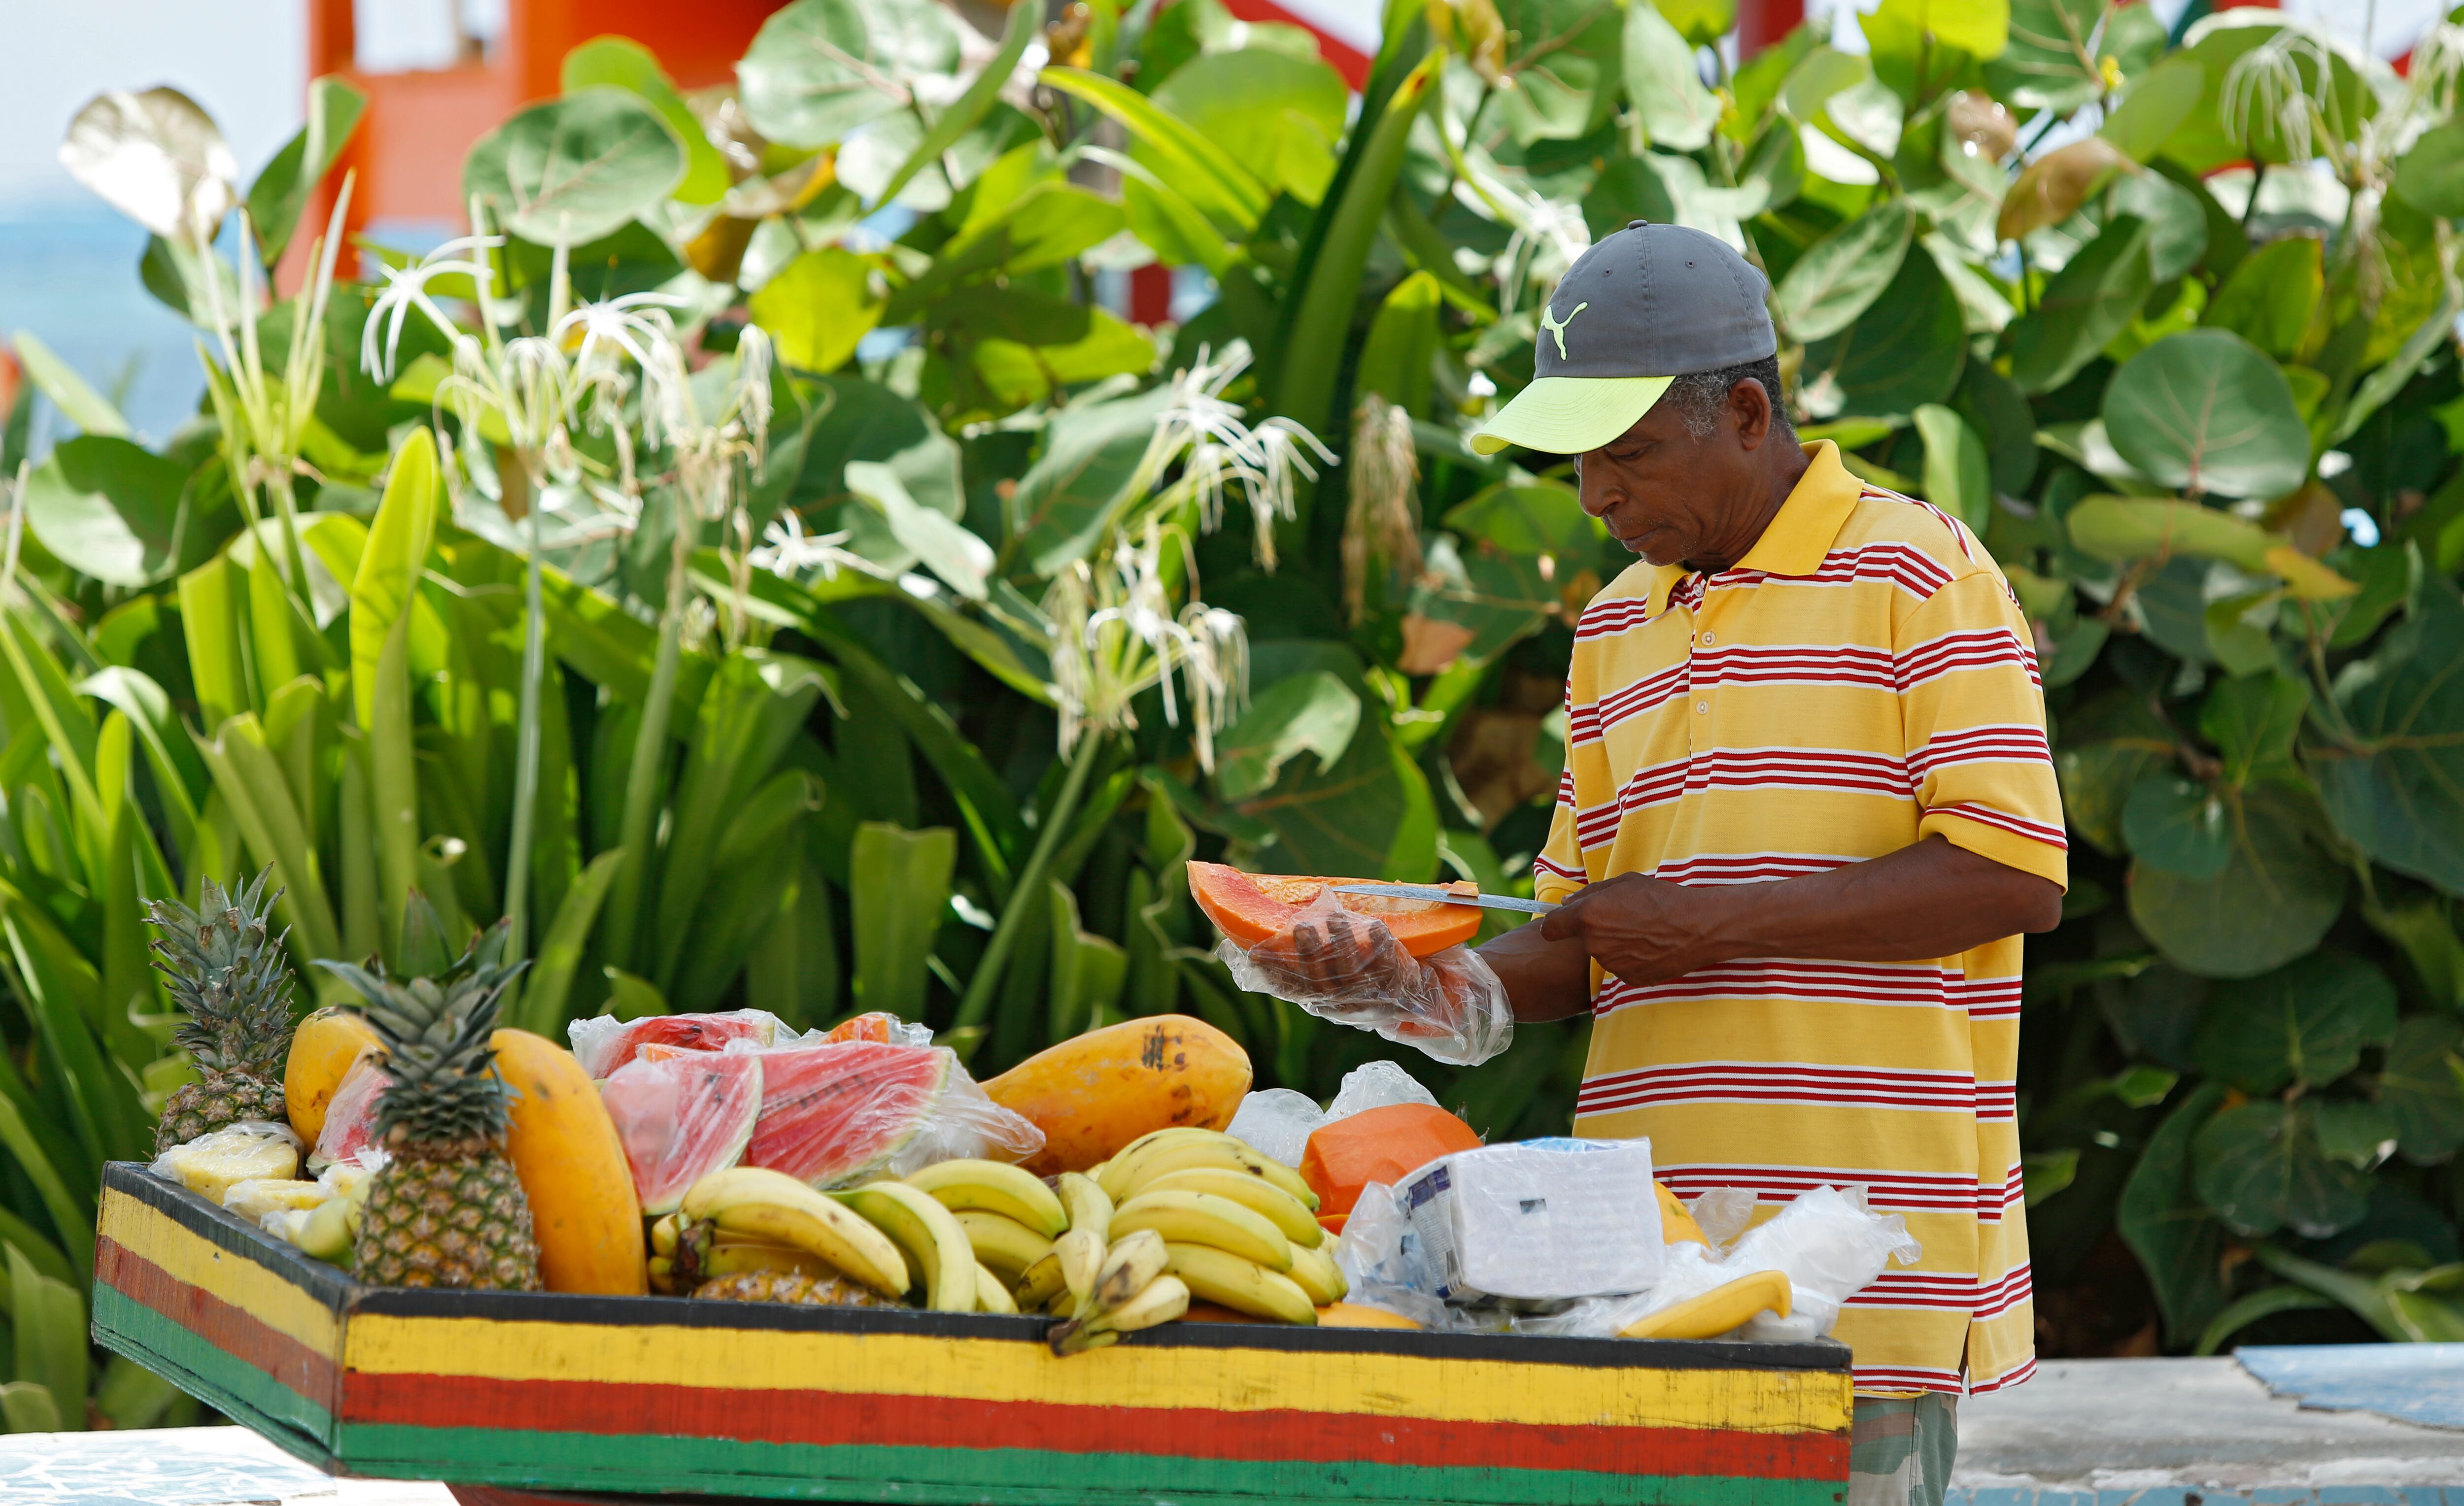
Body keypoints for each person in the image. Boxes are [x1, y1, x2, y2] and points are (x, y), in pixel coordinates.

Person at [1247, 222, 2065, 1506]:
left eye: (1628, 453)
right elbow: (1577, 934)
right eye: (1580, 459)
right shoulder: (1611, 629)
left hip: (1871, 1262)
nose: (1596, 494)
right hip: (1638, 1263)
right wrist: (1400, 983)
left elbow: (2014, 873)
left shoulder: (1925, 571)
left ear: (1747, 412)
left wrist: (1714, 928)